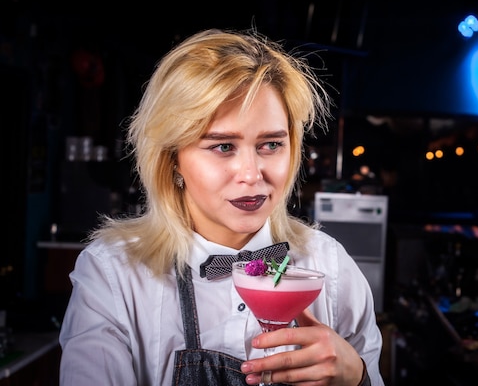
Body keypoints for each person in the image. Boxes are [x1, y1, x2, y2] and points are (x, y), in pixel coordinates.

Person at [59, 28, 384, 386]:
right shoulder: (114, 274)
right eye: (223, 146)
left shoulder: (331, 266)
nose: (251, 174)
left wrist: (357, 377)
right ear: (173, 159)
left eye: (271, 144)